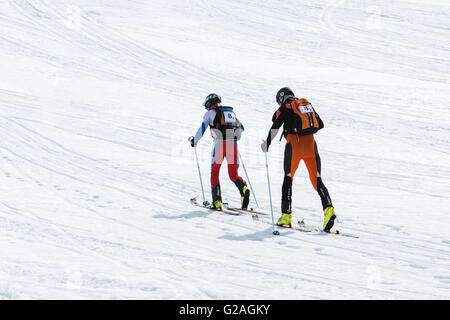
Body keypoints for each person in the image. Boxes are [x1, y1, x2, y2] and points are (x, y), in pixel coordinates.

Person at [261, 87, 336, 232]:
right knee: (317, 180)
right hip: (311, 147)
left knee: (288, 178)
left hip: (294, 146)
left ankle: (286, 215)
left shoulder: (285, 107)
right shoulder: (305, 105)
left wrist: (267, 144)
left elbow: (275, 126)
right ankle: (329, 210)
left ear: (281, 98)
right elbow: (320, 124)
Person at [189, 93, 250, 210]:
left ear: (209, 104)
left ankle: (217, 202)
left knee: (215, 171)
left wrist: (194, 140)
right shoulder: (230, 113)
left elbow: (202, 128)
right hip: (232, 143)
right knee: (233, 174)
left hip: (220, 144)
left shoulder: (209, 113)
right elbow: (242, 128)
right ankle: (243, 188)